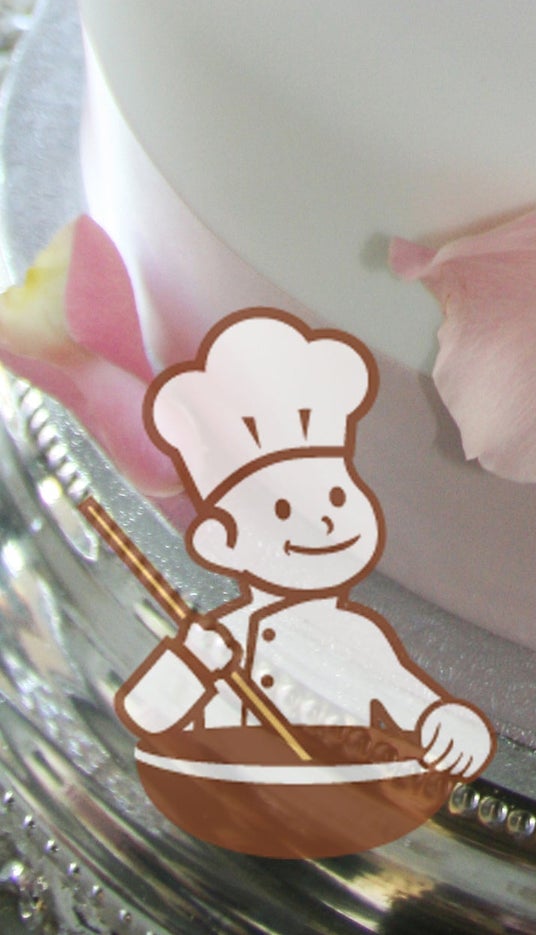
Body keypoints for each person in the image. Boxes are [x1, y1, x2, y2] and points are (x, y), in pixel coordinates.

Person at [114, 306, 492, 780]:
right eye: (282, 509)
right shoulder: (220, 634)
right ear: (219, 542)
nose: (329, 521)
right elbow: (147, 712)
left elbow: (425, 710)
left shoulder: (360, 637)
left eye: (337, 495)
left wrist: (452, 729)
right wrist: (193, 661)